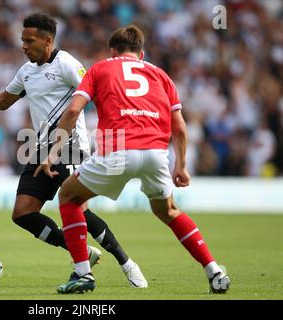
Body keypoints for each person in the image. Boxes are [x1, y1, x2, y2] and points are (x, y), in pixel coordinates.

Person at [0, 13, 147, 288]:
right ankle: (78, 252)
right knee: (22, 213)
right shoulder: (26, 71)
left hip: (69, 147)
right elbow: (2, 100)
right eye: (22, 40)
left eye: (29, 40)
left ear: (47, 41)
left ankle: (126, 263)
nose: (23, 46)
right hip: (40, 149)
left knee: (77, 210)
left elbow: (95, 92)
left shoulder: (67, 64)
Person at [35, 24, 231, 294]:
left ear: (112, 51)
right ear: (141, 53)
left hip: (117, 150)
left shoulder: (101, 68)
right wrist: (181, 166)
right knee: (168, 211)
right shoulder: (160, 75)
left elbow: (72, 111)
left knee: (69, 196)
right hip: (155, 153)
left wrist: (53, 153)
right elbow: (180, 127)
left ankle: (83, 273)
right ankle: (214, 271)